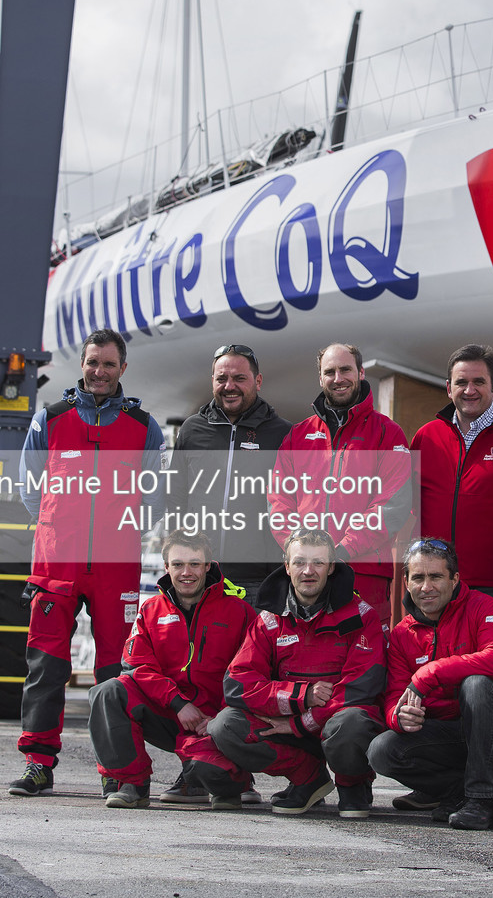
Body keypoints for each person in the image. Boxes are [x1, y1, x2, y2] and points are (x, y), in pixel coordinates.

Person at [8, 329, 165, 797]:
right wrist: (58, 529)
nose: (100, 372)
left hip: (116, 564)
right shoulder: (49, 420)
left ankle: (116, 769)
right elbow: (29, 488)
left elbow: (153, 495)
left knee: (117, 670)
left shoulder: (143, 426)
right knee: (46, 666)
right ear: (82, 364)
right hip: (58, 562)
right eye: (93, 363)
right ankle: (38, 763)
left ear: (123, 369)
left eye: (109, 364)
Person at [163, 342, 290, 806]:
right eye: (221, 378)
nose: (229, 386)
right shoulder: (194, 430)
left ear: (257, 381)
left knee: (245, 679)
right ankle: (196, 772)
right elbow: (176, 501)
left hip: (259, 578)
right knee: (199, 675)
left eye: (238, 378)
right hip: (205, 578)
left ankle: (236, 774)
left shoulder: (282, 433)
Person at [210, 528, 387, 818]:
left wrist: (304, 722)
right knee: (225, 726)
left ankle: (352, 785)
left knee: (354, 719)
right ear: (287, 565)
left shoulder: (362, 615)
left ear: (332, 567)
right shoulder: (267, 619)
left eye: (318, 562)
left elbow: (362, 686)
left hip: (334, 722)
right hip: (289, 718)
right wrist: (299, 696)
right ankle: (308, 778)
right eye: (300, 561)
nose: (308, 570)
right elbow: (238, 684)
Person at [86, 529, 255, 808]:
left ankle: (222, 776)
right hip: (170, 712)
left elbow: (248, 673)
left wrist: (220, 719)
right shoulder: (150, 610)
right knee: (109, 691)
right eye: (177, 564)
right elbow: (137, 665)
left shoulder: (238, 612)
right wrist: (177, 703)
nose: (186, 572)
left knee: (218, 785)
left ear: (208, 567)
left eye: (194, 564)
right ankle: (132, 783)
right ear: (166, 567)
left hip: (214, 720)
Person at [367, 538, 493, 830]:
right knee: (381, 750)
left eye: (436, 576)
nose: (427, 587)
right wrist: (398, 718)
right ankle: (453, 792)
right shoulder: (401, 634)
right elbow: (394, 695)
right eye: (419, 578)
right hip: (445, 734)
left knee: (475, 684)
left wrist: (430, 673)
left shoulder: (484, 606)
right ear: (407, 582)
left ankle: (479, 800)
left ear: (455, 578)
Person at [268, 343, 413, 622]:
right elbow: (279, 500)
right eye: (330, 372)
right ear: (321, 379)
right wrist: (301, 551)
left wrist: (342, 550)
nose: (338, 378)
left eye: (345, 369)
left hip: (363, 574)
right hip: (307, 576)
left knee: (365, 661)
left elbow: (392, 505)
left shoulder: (388, 433)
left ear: (360, 372)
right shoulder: (298, 436)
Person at [409, 344, 493, 617]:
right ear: (449, 388)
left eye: (479, 382)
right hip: (434, 583)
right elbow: (407, 509)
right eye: (461, 382)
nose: (469, 390)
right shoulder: (426, 436)